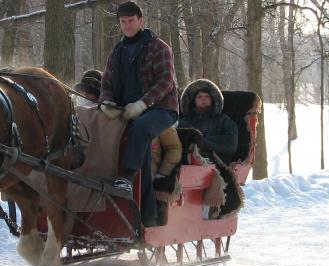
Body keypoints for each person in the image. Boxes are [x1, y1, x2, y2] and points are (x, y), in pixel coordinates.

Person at [99, 1, 179, 227]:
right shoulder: (117, 51)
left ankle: (126, 177)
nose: (127, 25)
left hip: (161, 109)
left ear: (141, 21)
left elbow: (166, 81)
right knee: (141, 155)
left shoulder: (159, 47)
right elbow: (106, 82)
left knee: (141, 127)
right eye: (123, 22)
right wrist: (106, 102)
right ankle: (147, 217)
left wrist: (144, 103)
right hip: (127, 111)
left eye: (131, 21)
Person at [178, 79, 238, 165]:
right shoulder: (183, 122)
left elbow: (231, 144)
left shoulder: (224, 120)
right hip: (185, 162)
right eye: (199, 97)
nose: (203, 99)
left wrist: (201, 143)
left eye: (207, 96)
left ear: (212, 99)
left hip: (216, 163)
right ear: (193, 101)